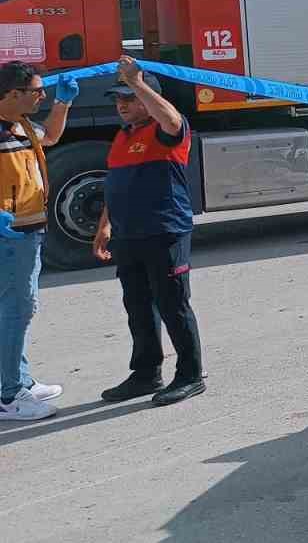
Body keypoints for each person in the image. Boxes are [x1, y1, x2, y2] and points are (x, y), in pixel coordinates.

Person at [94, 57, 205, 406]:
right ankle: (146, 373)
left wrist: (138, 81)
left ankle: (190, 375)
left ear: (149, 98)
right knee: (138, 306)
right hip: (129, 235)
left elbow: (172, 119)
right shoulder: (122, 137)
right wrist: (105, 226)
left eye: (130, 98)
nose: (122, 105)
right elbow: (118, 185)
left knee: (173, 304)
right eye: (119, 99)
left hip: (163, 231)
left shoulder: (166, 132)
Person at [0, 62, 76, 421]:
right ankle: (9, 395)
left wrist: (64, 104)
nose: (42, 96)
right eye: (38, 91)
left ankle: (19, 380)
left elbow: (51, 138)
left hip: (27, 232)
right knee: (16, 311)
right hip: (10, 236)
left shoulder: (21, 124)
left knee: (14, 310)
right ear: (13, 94)